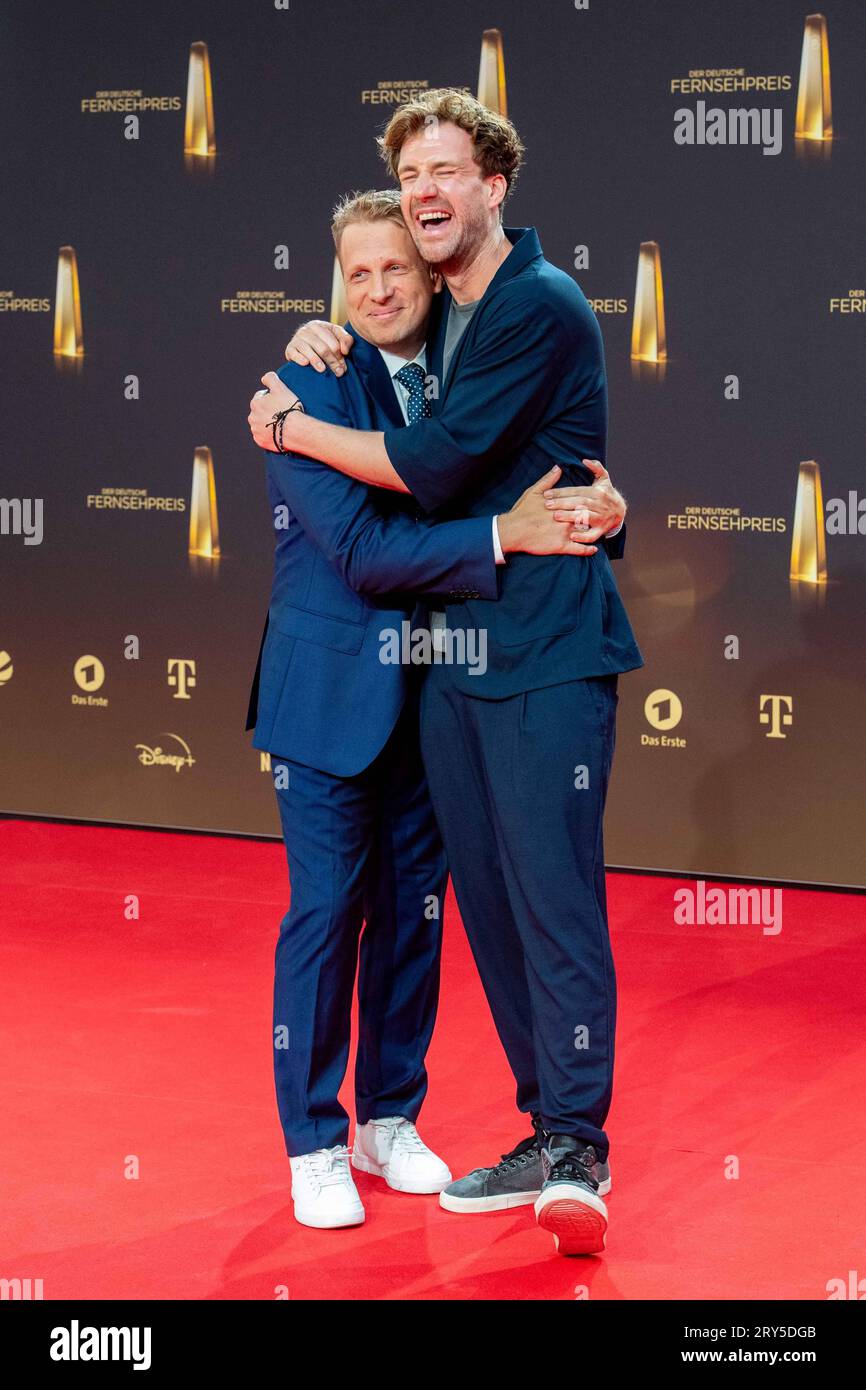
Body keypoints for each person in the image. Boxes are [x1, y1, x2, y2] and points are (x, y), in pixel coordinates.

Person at [247, 187, 605, 1233]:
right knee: (324, 918)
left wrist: (598, 506)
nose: (375, 289)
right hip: (325, 701)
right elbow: (359, 553)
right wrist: (504, 536)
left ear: (431, 273)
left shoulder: (466, 365)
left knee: (413, 917)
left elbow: (546, 462)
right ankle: (313, 1137)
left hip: (436, 694)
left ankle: (386, 1116)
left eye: (393, 268)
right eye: (355, 274)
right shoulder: (301, 389)